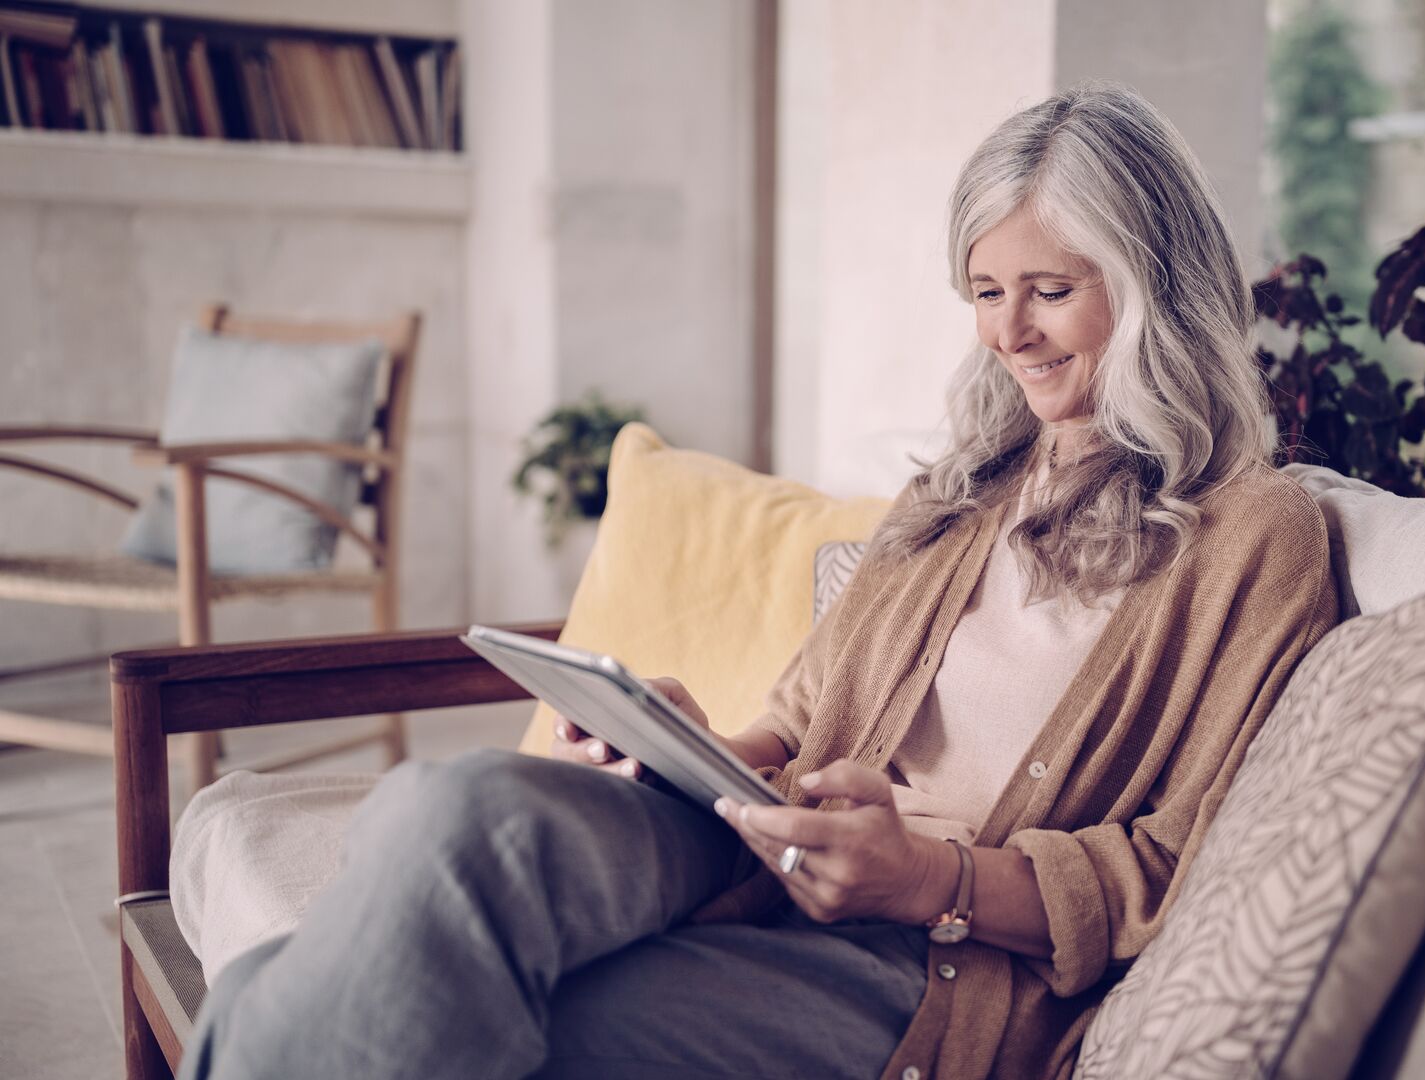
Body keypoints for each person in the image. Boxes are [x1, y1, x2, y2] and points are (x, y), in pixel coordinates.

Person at [181, 82, 1338, 1080]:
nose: (1010, 334)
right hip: (755, 847)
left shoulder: (1254, 533)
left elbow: (1179, 865)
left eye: (1050, 289)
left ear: (1149, 284)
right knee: (450, 807)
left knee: (273, 1000)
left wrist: (929, 876)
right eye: (987, 291)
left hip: (933, 965)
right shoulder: (962, 491)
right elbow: (796, 721)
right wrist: (693, 743)